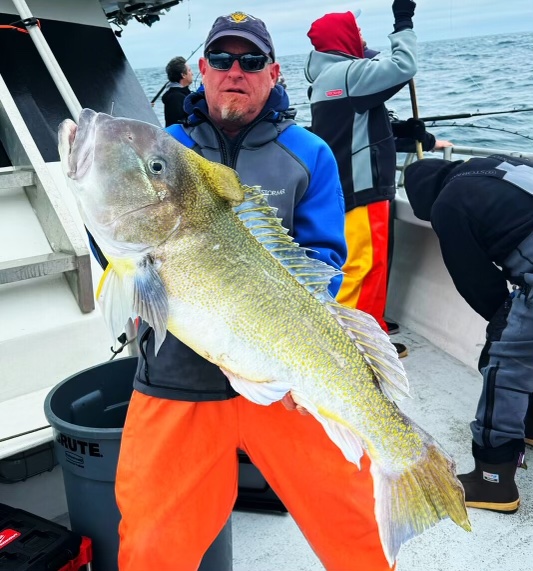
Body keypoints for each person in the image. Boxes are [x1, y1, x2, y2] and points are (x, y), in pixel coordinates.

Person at [115, 12, 393, 571]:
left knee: (359, 536)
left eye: (250, 60)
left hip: (288, 377)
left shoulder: (310, 152)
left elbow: (324, 263)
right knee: (149, 546)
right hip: (178, 376)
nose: (234, 71)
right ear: (202, 69)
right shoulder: (164, 151)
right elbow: (119, 244)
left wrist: (297, 358)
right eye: (221, 59)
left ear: (273, 72)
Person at [404, 154, 533, 513]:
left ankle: (494, 480)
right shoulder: (499, 165)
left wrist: (501, 330)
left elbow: (476, 282)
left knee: (503, 365)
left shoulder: (447, 203)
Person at [304, 0, 417, 358]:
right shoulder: (349, 75)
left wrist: (401, 131)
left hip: (355, 186)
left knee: (371, 267)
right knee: (360, 269)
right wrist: (403, 22)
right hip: (362, 188)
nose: (362, 35)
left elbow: (356, 125)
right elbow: (402, 66)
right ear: (343, 37)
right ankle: (352, 350)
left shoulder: (330, 76)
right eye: (356, 31)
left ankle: (374, 333)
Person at [162, 56, 194, 126]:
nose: (192, 73)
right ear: (183, 75)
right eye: (189, 70)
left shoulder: (183, 93)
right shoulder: (175, 97)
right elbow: (177, 124)